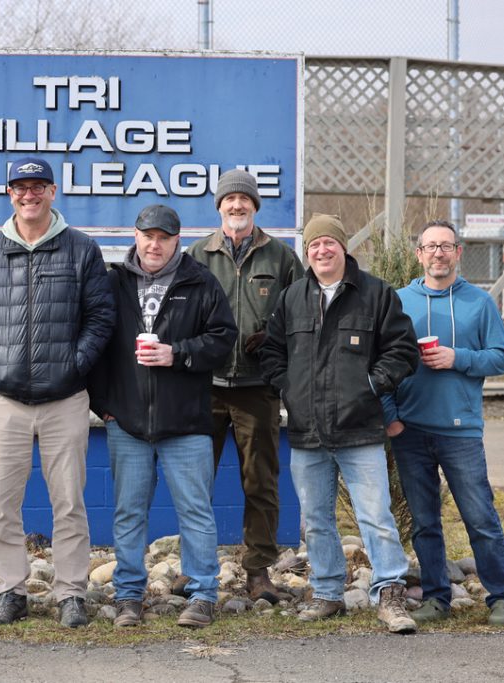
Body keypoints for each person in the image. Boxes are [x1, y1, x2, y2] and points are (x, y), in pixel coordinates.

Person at [0, 156, 114, 628]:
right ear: (10, 194)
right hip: (6, 400)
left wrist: (73, 365)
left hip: (65, 400)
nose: (29, 195)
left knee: (70, 502)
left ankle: (71, 595)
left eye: (38, 186)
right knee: (2, 503)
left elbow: (101, 318)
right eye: (20, 187)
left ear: (52, 191)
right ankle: (9, 591)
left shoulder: (81, 250)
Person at [259, 213, 420, 634]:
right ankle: (328, 593)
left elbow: (402, 351)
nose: (322, 250)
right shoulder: (292, 297)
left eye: (329, 243)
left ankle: (390, 595)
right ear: (306, 252)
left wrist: (371, 384)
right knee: (315, 519)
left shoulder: (376, 294)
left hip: (360, 429)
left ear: (343, 247)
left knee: (376, 518)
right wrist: (288, 389)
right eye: (314, 245)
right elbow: (271, 352)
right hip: (307, 432)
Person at [89, 205, 237, 629]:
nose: (155, 244)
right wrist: (106, 407)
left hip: (186, 422)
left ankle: (204, 594)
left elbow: (223, 339)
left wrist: (179, 353)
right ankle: (130, 596)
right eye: (148, 236)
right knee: (129, 512)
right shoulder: (112, 282)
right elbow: (95, 344)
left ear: (178, 239)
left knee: (196, 511)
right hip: (127, 424)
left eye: (165, 237)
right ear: (135, 236)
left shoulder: (200, 281)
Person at [382, 220, 504, 626]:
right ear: (419, 254)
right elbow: (381, 364)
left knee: (481, 518)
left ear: (458, 252)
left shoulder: (479, 303)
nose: (438, 253)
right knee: (425, 521)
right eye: (430, 246)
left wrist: (457, 358)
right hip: (410, 430)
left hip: (460, 430)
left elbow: (502, 358)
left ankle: (501, 598)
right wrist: (391, 418)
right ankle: (437, 596)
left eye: (446, 246)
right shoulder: (398, 301)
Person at [186, 169, 304, 603]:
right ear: (218, 207)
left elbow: (300, 316)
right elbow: (181, 317)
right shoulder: (197, 255)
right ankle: (194, 567)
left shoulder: (281, 257)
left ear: (256, 206)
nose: (236, 206)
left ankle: (258, 571)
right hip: (206, 386)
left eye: (244, 200)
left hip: (258, 387)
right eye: (229, 200)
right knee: (194, 482)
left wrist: (274, 341)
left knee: (260, 481)